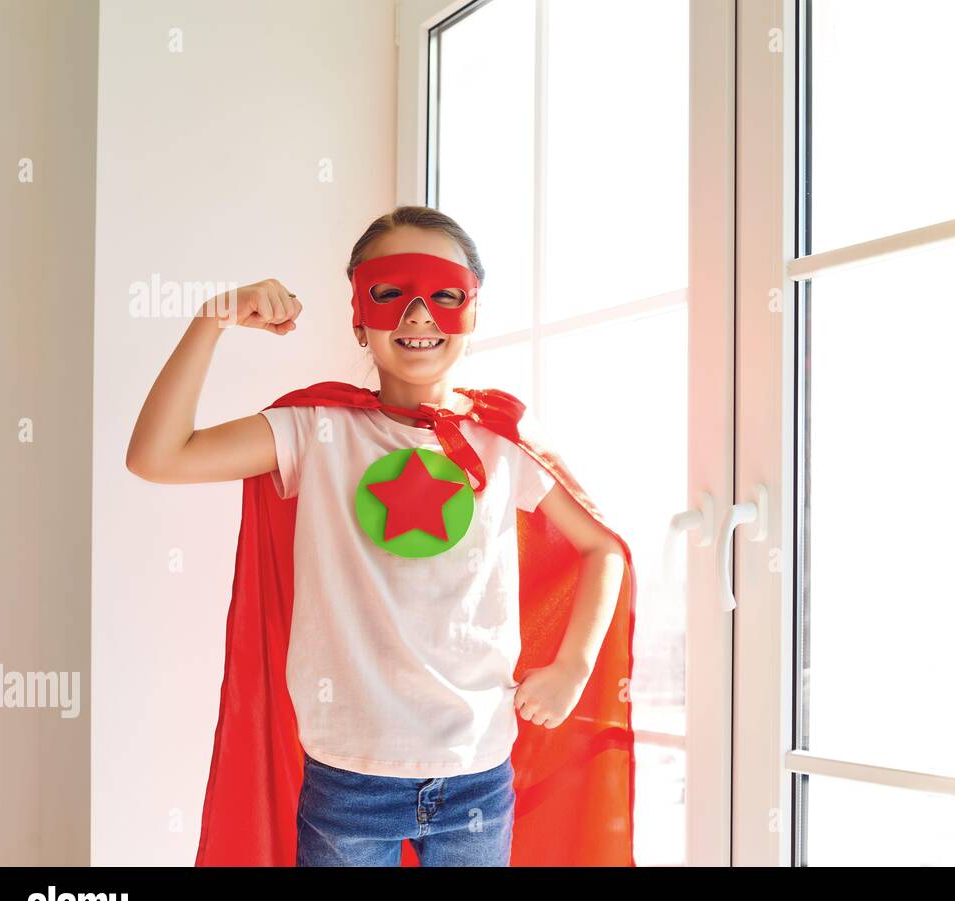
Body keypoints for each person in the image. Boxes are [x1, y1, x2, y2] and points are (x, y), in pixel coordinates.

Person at [126, 206, 634, 866]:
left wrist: (573, 665)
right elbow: (158, 456)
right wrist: (211, 319)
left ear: (472, 312)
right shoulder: (315, 429)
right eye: (391, 293)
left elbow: (603, 548)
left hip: (478, 772)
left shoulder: (500, 439)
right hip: (350, 777)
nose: (418, 316)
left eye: (444, 295)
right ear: (359, 318)